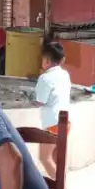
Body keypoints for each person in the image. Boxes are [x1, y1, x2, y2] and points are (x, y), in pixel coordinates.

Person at [34, 41, 70, 179]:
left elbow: (40, 101)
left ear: (47, 60)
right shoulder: (65, 74)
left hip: (51, 125)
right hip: (65, 122)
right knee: (58, 159)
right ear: (62, 60)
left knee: (44, 158)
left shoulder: (45, 78)